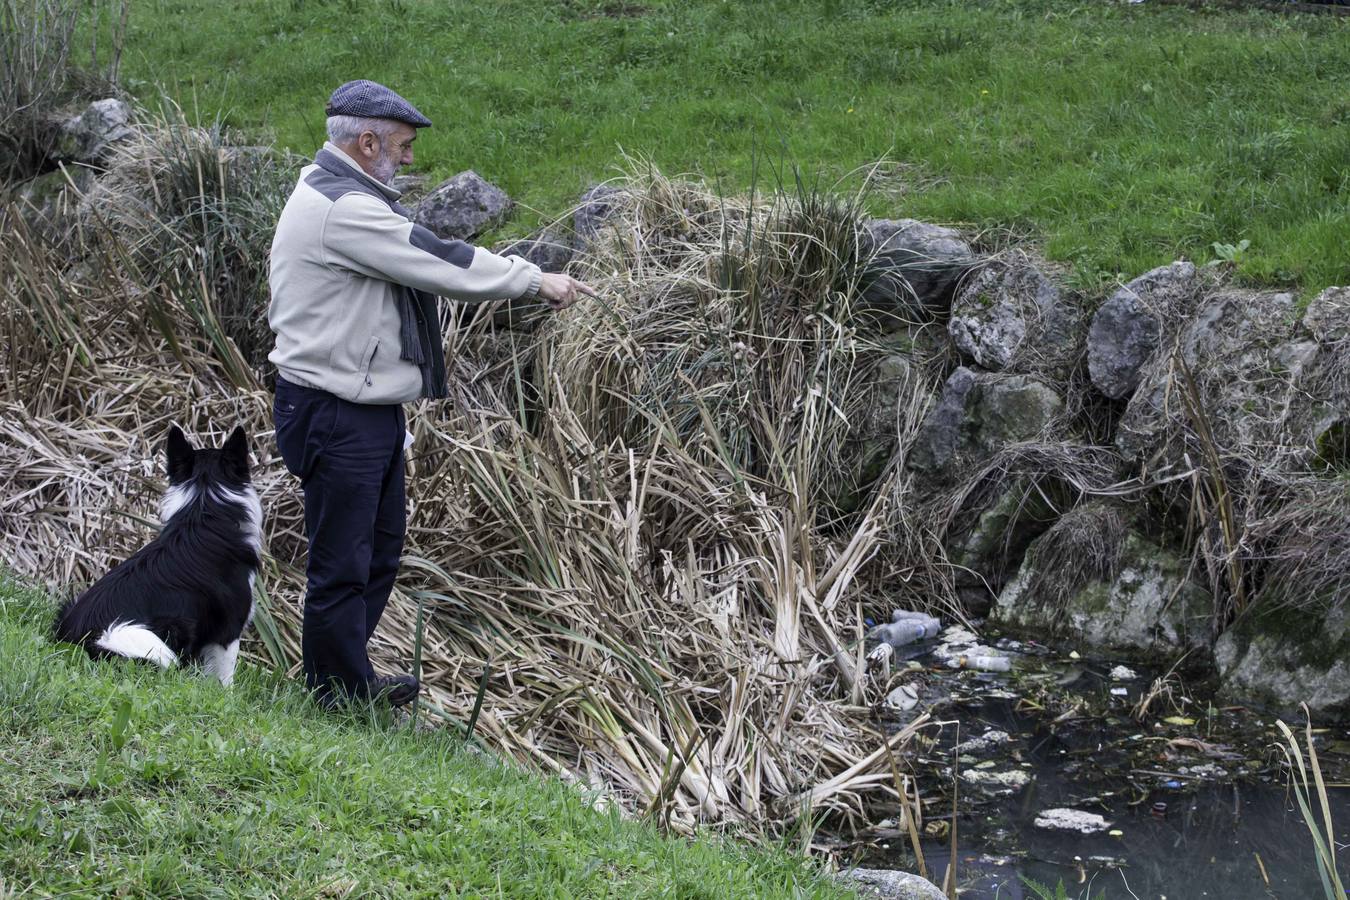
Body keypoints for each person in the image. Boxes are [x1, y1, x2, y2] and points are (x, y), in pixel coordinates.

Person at [267, 79, 595, 708]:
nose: (411, 157)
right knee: (343, 561)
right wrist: (533, 279)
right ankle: (335, 694)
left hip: (358, 405)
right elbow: (439, 260)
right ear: (367, 142)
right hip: (337, 411)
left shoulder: (338, 191)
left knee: (380, 548)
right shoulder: (345, 209)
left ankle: (345, 679)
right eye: (403, 144)